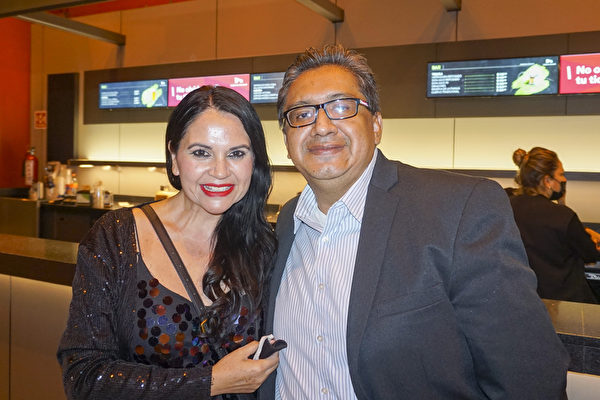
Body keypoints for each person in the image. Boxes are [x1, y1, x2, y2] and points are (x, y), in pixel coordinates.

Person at [259, 45, 570, 399]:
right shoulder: (288, 223)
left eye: (342, 107)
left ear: (376, 125)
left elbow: (529, 377)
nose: (321, 126)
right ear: (286, 140)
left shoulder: (458, 210)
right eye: (301, 114)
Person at [57, 86, 279, 399]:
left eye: (236, 154)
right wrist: (211, 381)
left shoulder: (264, 245)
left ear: (254, 161)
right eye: (201, 153)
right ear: (174, 157)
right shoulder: (117, 236)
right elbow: (84, 376)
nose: (220, 171)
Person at [510, 147, 600, 303]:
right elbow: (590, 255)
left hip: (522, 299)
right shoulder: (563, 216)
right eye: (561, 174)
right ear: (547, 181)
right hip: (564, 303)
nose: (564, 180)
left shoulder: (506, 206)